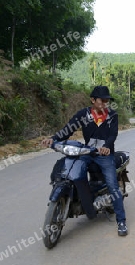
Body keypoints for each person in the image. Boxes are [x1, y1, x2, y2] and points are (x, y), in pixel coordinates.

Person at [42, 86, 128, 236]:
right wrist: (53, 139)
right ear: (93, 100)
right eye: (103, 100)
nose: (105, 103)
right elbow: (68, 129)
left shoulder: (112, 115)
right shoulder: (84, 115)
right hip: (87, 152)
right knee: (73, 170)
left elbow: (113, 135)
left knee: (113, 186)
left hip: (105, 155)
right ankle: (83, 200)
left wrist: (107, 147)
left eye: (107, 101)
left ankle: (121, 222)